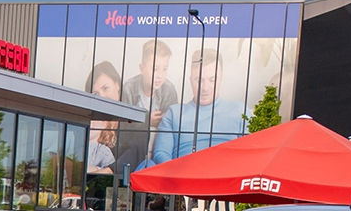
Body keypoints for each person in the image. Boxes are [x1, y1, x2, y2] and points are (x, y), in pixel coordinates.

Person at [151, 49, 244, 165]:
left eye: (212, 80)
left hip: (227, 176)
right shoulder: (175, 113)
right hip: (183, 176)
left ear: (221, 79)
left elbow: (251, 154)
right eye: (199, 80)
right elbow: (161, 154)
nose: (205, 87)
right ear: (190, 80)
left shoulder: (240, 111)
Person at [116, 40, 177, 174]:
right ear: (142, 68)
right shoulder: (129, 88)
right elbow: (122, 126)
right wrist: (145, 119)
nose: (160, 75)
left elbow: (172, 125)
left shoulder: (169, 89)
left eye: (165, 69)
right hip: (134, 152)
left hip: (158, 151)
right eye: (155, 69)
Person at [84, 61, 121, 175]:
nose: (102, 96)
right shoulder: (87, 118)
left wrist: (107, 171)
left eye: (105, 88)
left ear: (117, 85)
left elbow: (134, 154)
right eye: (96, 93)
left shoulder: (134, 120)